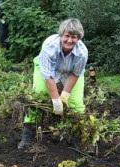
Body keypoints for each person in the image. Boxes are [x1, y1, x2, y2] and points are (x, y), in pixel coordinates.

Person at [18, 18, 88, 149]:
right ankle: (28, 137)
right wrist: (56, 101)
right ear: (61, 35)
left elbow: (75, 74)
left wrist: (65, 96)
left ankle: (79, 139)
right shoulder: (50, 45)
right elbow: (48, 76)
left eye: (74, 37)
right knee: (37, 98)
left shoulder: (82, 52)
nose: (69, 40)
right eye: (67, 36)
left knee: (76, 103)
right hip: (46, 70)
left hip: (70, 71)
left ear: (78, 38)